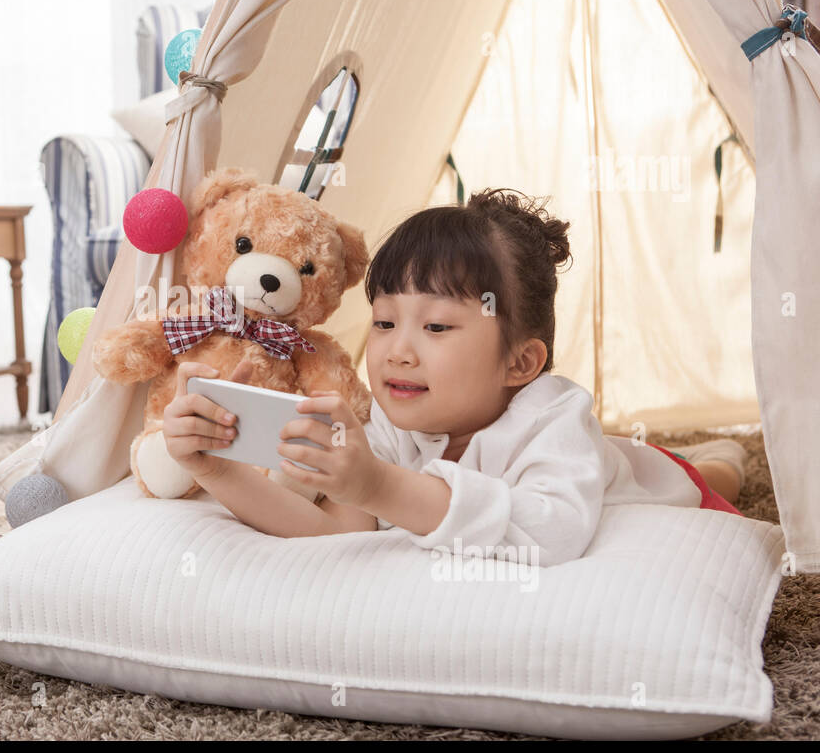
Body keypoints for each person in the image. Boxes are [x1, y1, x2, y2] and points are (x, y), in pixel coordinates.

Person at [162, 189, 746, 565]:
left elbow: (554, 532)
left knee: (704, 479)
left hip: (655, 481)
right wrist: (217, 470)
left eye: (437, 328)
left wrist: (379, 486)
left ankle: (721, 459)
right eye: (386, 322)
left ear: (521, 363)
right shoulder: (392, 424)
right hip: (611, 457)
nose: (397, 351)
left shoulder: (554, 416)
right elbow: (336, 533)